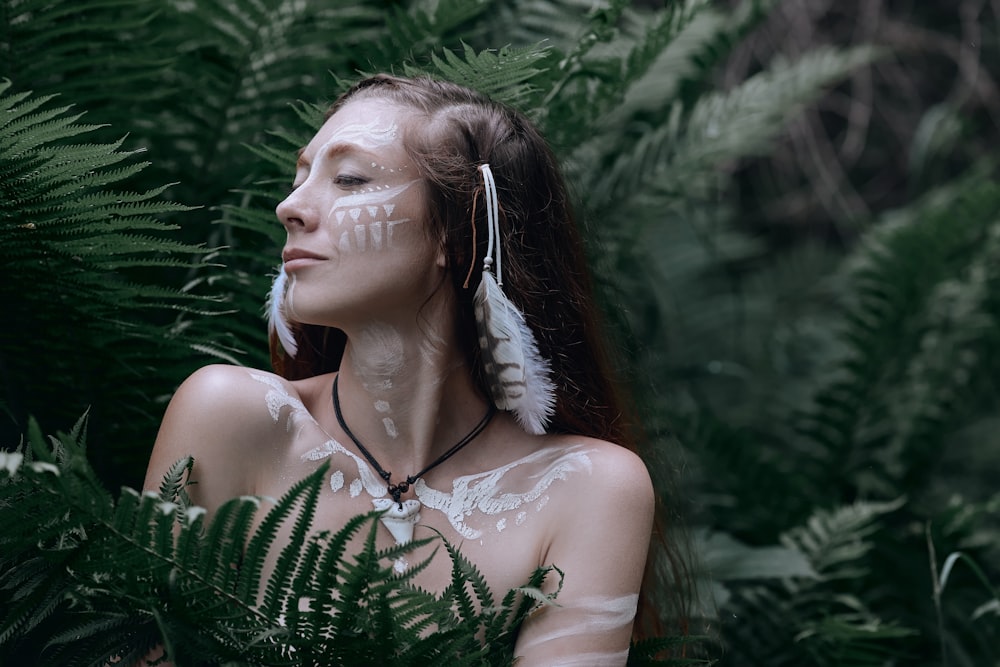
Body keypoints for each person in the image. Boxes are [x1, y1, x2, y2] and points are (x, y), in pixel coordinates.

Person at [145, 74, 680, 665]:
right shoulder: (234, 417)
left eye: (349, 179)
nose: (290, 207)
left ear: (459, 230)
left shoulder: (587, 487)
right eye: (300, 179)